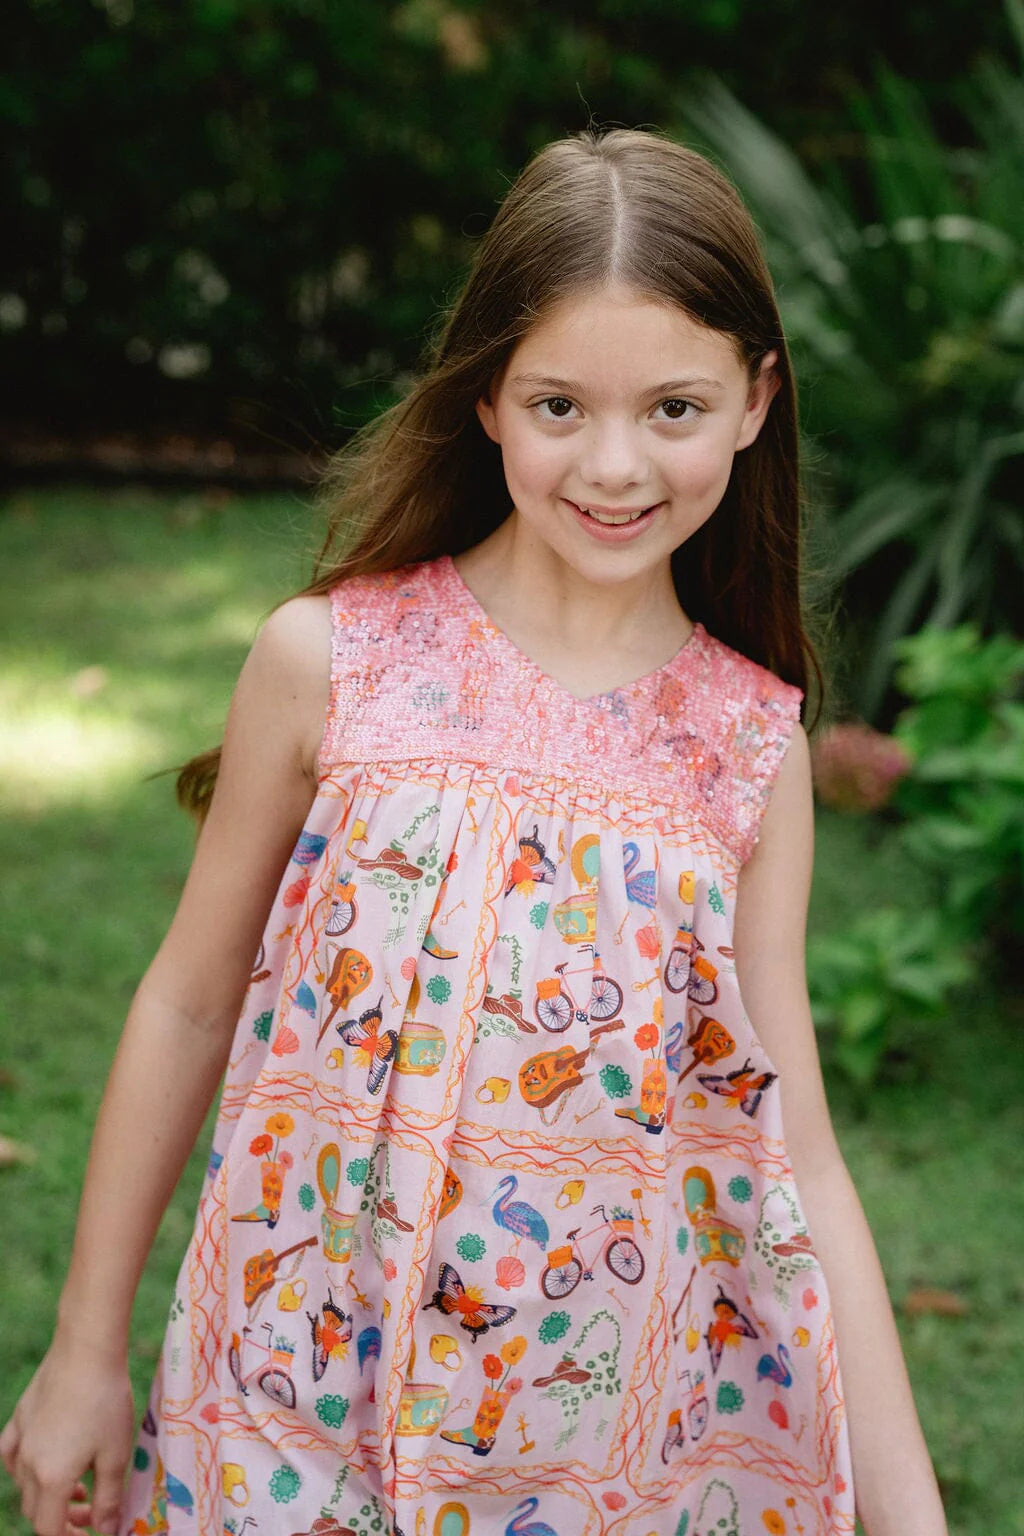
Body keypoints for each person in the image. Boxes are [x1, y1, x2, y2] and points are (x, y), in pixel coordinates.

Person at [0, 128, 948, 1536]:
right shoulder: (331, 663)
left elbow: (793, 1145)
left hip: (600, 1453)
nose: (615, 464)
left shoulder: (746, 746)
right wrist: (85, 1349)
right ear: (489, 398)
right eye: (560, 403)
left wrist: (913, 1516)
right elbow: (189, 1005)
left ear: (756, 402)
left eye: (675, 408)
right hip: (286, 1402)